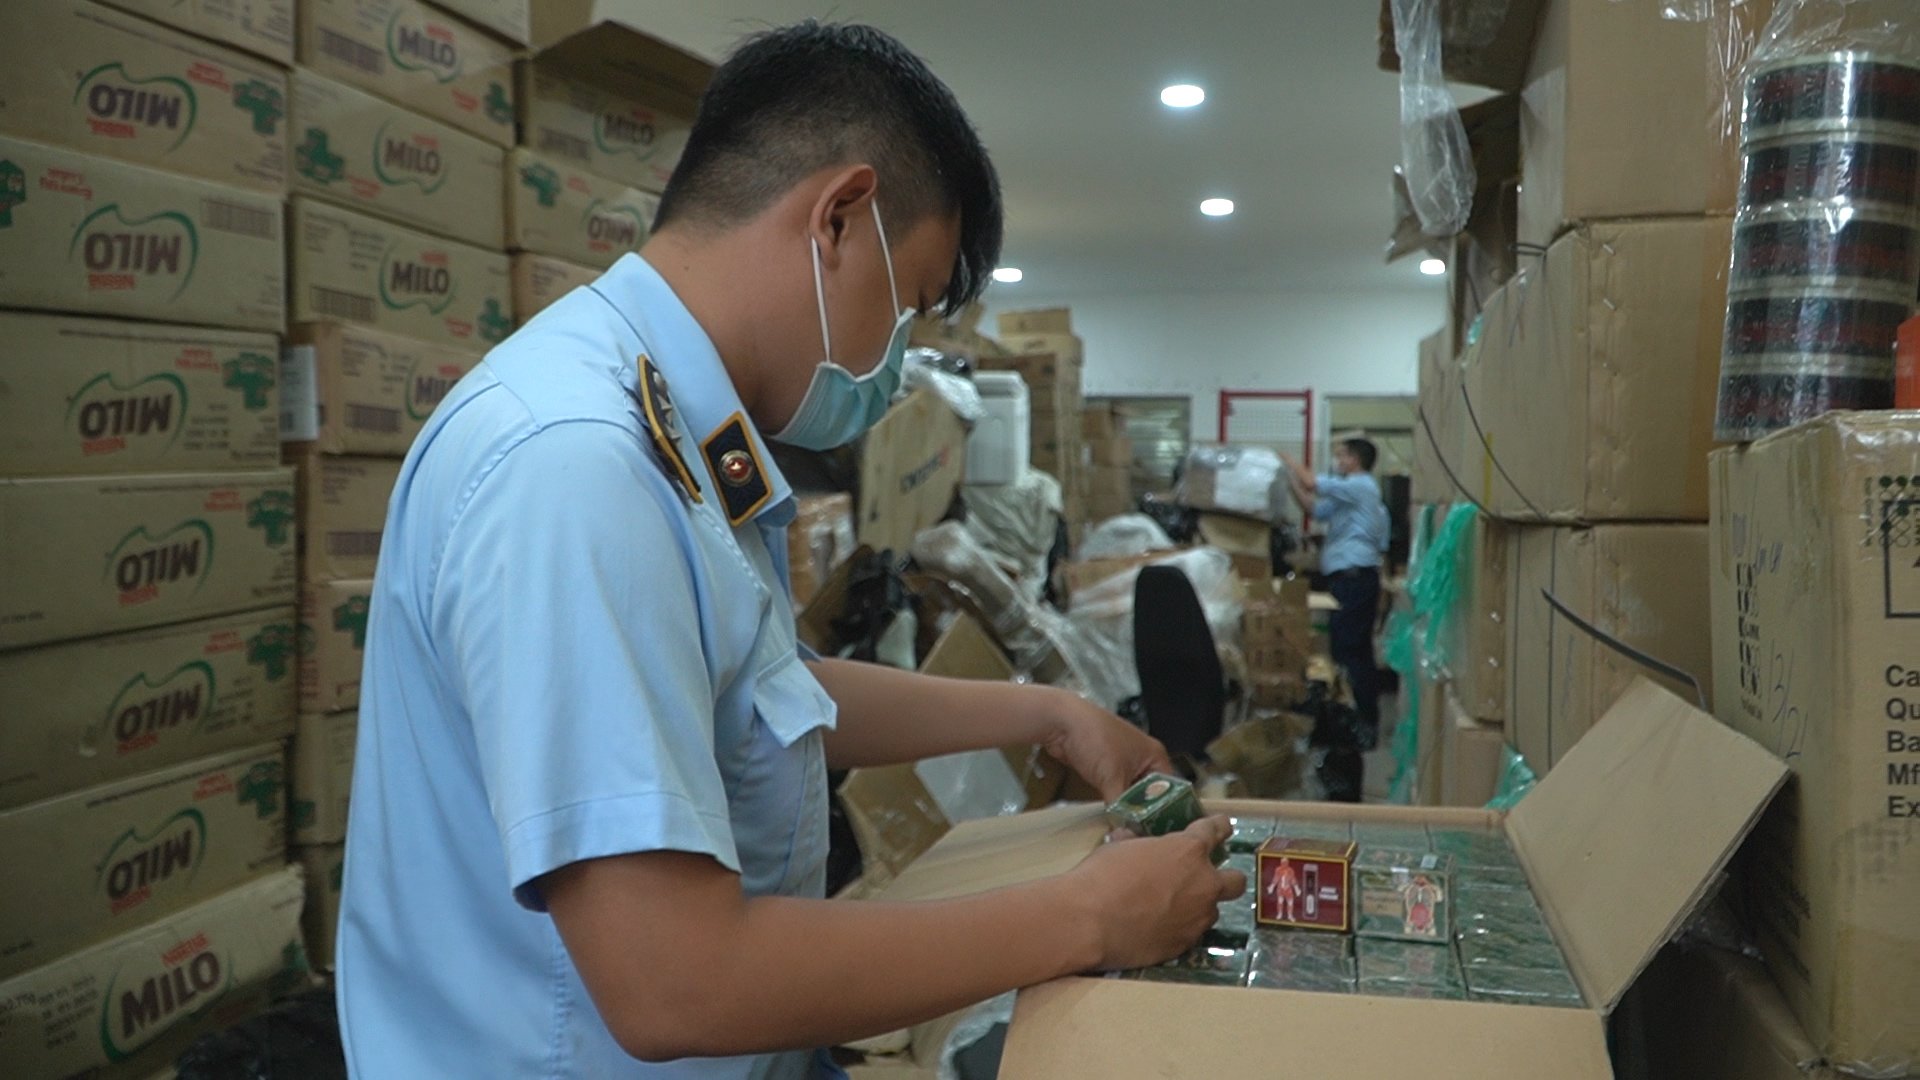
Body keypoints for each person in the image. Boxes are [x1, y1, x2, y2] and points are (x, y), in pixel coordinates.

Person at [336, 23, 1242, 1079]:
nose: (894, 361)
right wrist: (1087, 915)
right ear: (837, 218)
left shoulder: (680, 431)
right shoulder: (578, 466)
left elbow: (761, 696)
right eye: (903, 306)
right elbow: (676, 978)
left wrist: (1050, 712)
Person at [1282, 439, 1389, 742]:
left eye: (1341, 455)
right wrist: (1289, 481)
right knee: (1347, 649)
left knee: (1351, 650)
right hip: (1347, 579)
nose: (1336, 460)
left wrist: (1288, 462)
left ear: (1354, 460)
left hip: (1355, 578)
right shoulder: (1349, 495)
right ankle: (1350, 716)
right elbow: (1314, 509)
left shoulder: (1361, 486)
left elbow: (1311, 482)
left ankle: (1362, 723)